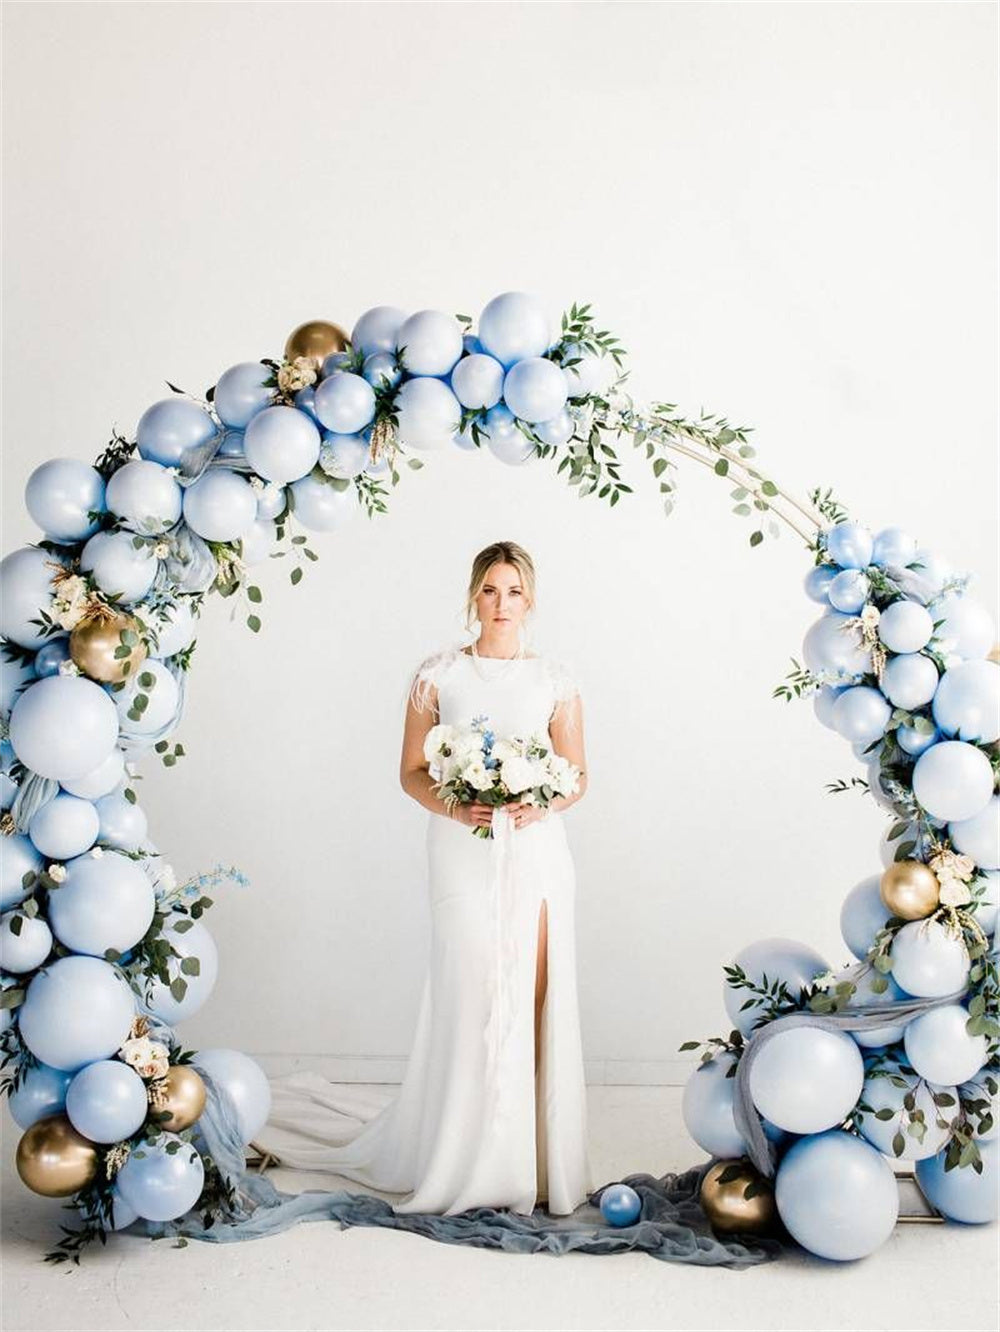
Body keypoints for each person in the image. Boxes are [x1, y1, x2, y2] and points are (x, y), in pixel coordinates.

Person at [252, 540, 594, 1216]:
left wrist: (541, 800)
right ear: (474, 595)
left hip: (536, 851)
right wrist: (455, 802)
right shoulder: (438, 675)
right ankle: (465, 1153)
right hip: (460, 846)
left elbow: (578, 774)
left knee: (532, 991)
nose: (501, 604)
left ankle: (532, 1160)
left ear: (531, 600)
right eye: (491, 590)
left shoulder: (557, 681)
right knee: (471, 988)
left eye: (514, 592)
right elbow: (411, 770)